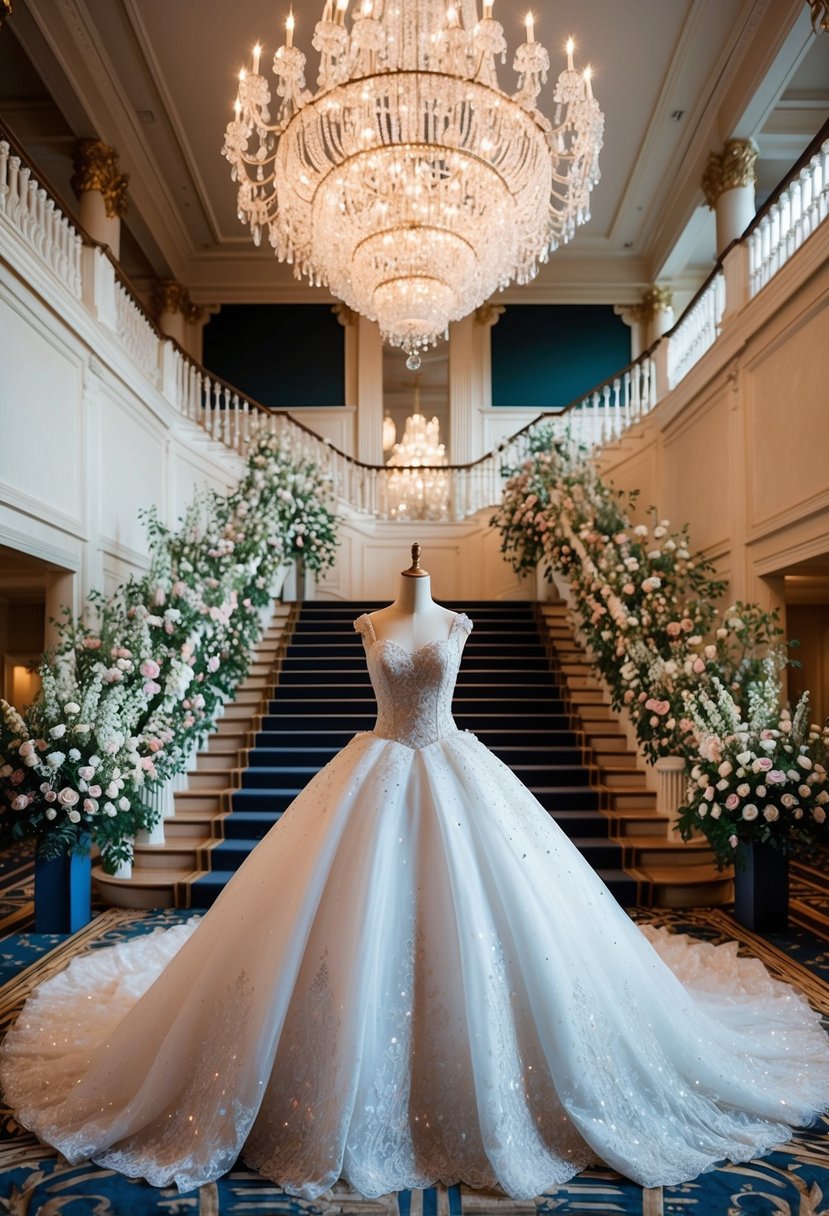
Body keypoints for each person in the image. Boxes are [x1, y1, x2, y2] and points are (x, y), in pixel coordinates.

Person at [2, 545, 829, 1199]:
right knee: (344, 922)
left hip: (455, 770)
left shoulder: (459, 623)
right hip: (373, 773)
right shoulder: (368, 622)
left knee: (490, 923)